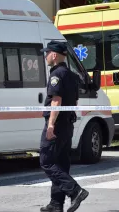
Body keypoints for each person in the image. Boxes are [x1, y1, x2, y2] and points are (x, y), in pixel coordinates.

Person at [39, 41, 89, 212]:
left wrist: (51, 125)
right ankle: (56, 204)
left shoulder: (56, 74)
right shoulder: (71, 75)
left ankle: (75, 191)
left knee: (46, 161)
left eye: (47, 53)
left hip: (58, 124)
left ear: (54, 55)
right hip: (67, 124)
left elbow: (56, 100)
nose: (45, 56)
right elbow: (74, 102)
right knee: (60, 164)